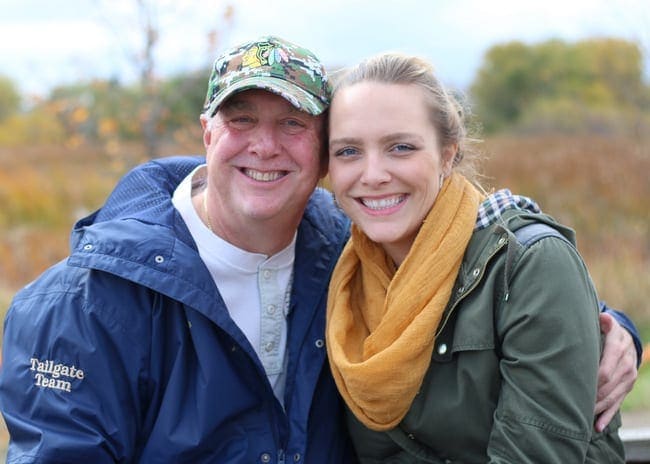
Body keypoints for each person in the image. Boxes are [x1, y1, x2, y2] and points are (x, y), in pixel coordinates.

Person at [0, 36, 640, 463]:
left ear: (319, 153)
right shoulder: (83, 304)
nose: (264, 145)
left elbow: (519, 293)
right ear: (206, 132)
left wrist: (619, 333)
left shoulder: (342, 251)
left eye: (294, 125)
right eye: (241, 119)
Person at [325, 52, 637, 463]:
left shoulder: (528, 264)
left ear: (448, 154)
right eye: (348, 151)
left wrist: (621, 329)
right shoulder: (342, 268)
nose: (373, 173)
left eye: (401, 147)